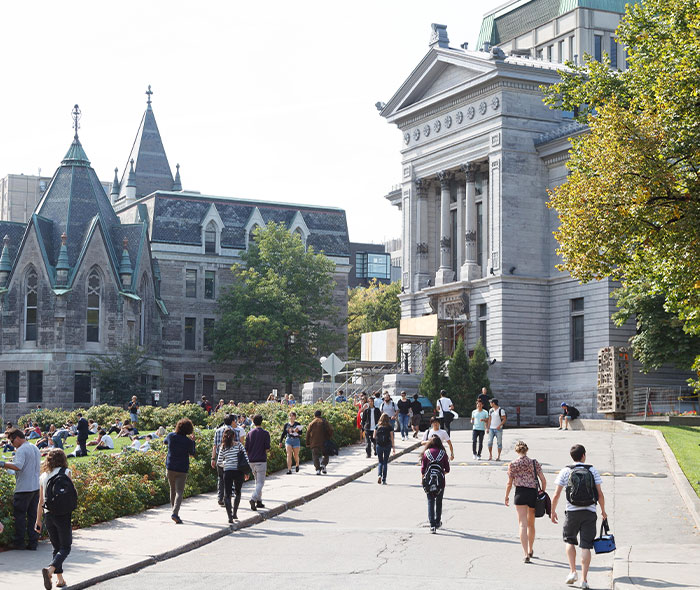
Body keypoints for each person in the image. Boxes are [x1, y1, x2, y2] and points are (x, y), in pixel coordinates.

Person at [551, 444, 607, 589]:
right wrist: (603, 511)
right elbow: (600, 494)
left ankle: (572, 572)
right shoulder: (592, 470)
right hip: (589, 512)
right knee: (586, 546)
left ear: (572, 456)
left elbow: (556, 494)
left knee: (570, 541)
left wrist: (552, 511)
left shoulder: (565, 471)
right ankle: (584, 579)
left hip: (572, 512)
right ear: (584, 455)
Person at [35, 449, 74, 589]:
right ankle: (50, 570)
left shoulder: (43, 476)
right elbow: (71, 494)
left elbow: (40, 501)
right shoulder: (66, 473)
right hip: (62, 514)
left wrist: (38, 520)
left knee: (57, 547)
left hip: (48, 514)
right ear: (63, 459)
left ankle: (60, 579)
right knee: (66, 547)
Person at [505, 440, 547, 563]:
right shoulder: (534, 463)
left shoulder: (513, 464)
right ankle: (530, 549)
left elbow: (509, 483)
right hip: (532, 494)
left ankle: (525, 554)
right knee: (531, 524)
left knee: (522, 524)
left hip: (520, 494)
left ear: (516, 451)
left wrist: (506, 496)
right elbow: (543, 480)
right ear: (526, 450)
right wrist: (542, 492)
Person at [1, 428, 41, 550]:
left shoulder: (21, 450)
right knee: (33, 516)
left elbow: (18, 466)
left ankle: (19, 543)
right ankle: (33, 542)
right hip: (35, 487)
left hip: (23, 488)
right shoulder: (34, 448)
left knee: (20, 516)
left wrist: (2, 464)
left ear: (17, 438)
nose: (12, 444)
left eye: (12, 441)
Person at [164, 418, 196, 524]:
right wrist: (193, 441)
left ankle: (174, 510)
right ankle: (175, 513)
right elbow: (192, 454)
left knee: (172, 490)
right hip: (182, 468)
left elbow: (165, 442)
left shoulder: (171, 436)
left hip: (170, 467)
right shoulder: (188, 441)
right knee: (179, 492)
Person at [216, 428, 249, 523]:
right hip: (239, 471)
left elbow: (219, 462)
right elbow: (245, 459)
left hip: (228, 472)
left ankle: (229, 517)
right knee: (238, 492)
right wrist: (246, 472)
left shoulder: (223, 447)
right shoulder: (239, 445)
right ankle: (235, 513)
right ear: (234, 436)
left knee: (227, 495)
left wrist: (226, 464)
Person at [421, 435, 450, 533]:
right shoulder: (443, 453)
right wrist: (441, 473)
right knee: (439, 501)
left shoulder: (426, 453)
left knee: (430, 501)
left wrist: (423, 479)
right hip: (440, 482)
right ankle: (438, 521)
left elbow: (423, 469)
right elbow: (447, 469)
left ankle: (432, 525)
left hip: (428, 481)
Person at [245, 414, 270, 511]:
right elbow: (267, 448)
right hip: (261, 459)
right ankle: (253, 498)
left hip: (251, 460)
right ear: (262, 421)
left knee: (257, 481)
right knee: (261, 482)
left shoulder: (250, 433)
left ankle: (259, 501)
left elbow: (246, 448)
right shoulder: (265, 433)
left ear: (253, 422)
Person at [211, 414, 235, 506]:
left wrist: (213, 458)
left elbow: (215, 446)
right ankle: (226, 497)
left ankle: (220, 497)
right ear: (232, 421)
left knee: (220, 478)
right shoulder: (233, 431)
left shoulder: (218, 431)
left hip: (219, 456)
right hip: (230, 456)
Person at [306, 409, 333, 475]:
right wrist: (328, 437)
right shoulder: (325, 422)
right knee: (326, 454)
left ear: (314, 415)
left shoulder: (312, 423)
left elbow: (308, 434)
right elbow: (331, 430)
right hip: (324, 441)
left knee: (315, 456)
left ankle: (318, 469)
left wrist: (307, 443)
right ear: (320, 415)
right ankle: (323, 464)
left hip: (314, 442)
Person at [374, 414, 395, 485]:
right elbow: (392, 437)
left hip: (379, 445)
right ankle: (384, 479)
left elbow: (374, 436)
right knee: (385, 462)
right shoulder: (389, 427)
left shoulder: (377, 426)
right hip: (387, 445)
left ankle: (379, 475)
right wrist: (393, 447)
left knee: (380, 462)